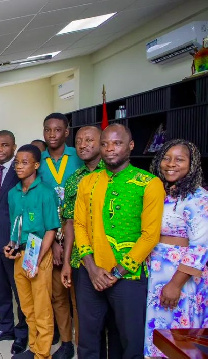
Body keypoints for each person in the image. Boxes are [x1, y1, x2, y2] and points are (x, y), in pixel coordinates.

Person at [74, 124, 165, 358]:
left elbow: (150, 235)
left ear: (130, 146)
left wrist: (117, 272)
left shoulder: (149, 183)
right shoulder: (88, 182)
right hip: (90, 272)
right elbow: (79, 225)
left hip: (129, 276)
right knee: (88, 340)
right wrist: (92, 268)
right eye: (104, 144)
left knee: (128, 342)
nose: (109, 149)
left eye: (117, 143)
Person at [144, 139, 208, 357]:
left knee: (177, 338)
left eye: (180, 159)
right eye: (166, 158)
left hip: (180, 277)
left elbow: (201, 246)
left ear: (192, 164)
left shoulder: (199, 198)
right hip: (155, 273)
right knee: (157, 332)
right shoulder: (159, 192)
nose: (171, 164)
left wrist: (175, 284)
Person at [5, 144, 61, 359]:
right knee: (27, 308)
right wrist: (11, 246)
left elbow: (51, 230)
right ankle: (34, 347)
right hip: (20, 254)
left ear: (36, 165)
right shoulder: (13, 193)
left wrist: (37, 259)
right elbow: (15, 226)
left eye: (25, 162)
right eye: (17, 162)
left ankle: (43, 354)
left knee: (42, 309)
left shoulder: (46, 193)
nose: (19, 166)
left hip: (39, 255)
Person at [38, 113, 83, 359]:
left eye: (58, 130)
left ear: (67, 132)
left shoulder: (79, 157)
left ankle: (83, 343)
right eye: (48, 130)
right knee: (57, 295)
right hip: (51, 237)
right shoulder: (39, 160)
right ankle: (66, 342)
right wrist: (53, 242)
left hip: (81, 237)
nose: (52, 135)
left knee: (81, 296)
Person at [0, 130, 28, 354]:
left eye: (5, 145)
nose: (0, 149)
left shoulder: (21, 172)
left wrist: (18, 241)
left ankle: (23, 333)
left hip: (14, 244)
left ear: (14, 147)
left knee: (20, 291)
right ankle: (5, 327)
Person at [60, 126, 103, 346]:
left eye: (89, 140)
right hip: (80, 258)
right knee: (84, 313)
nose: (83, 145)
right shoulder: (74, 179)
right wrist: (67, 261)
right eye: (78, 141)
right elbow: (69, 223)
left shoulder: (115, 173)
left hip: (113, 260)